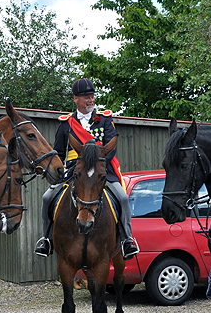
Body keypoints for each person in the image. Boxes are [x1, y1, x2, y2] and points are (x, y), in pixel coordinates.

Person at [34, 77, 139, 259]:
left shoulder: (105, 120)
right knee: (47, 198)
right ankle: (47, 239)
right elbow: (59, 152)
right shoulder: (66, 123)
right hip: (75, 171)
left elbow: (111, 148)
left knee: (122, 198)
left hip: (101, 170)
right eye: (86, 96)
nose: (91, 100)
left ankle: (127, 240)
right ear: (76, 99)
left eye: (92, 96)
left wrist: (98, 165)